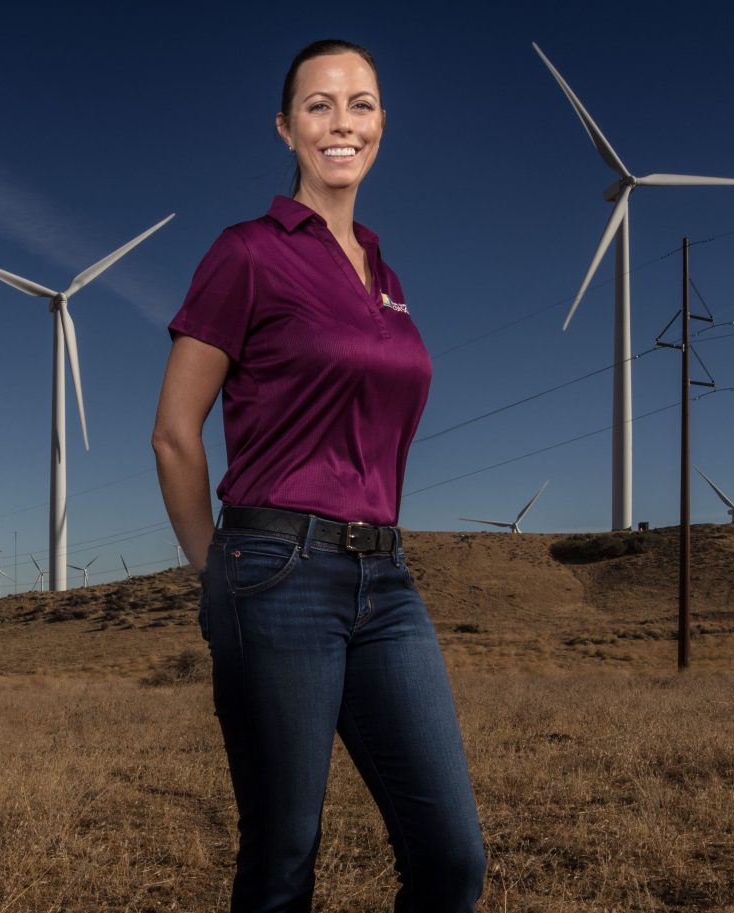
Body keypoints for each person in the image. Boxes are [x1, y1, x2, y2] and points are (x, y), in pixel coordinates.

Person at [151, 38, 486, 913]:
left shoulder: (386, 273)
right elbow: (173, 435)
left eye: (362, 104)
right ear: (285, 127)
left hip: (388, 578)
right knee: (284, 862)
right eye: (320, 105)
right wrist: (214, 572)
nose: (343, 123)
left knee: (452, 859)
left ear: (382, 124)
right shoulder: (249, 252)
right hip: (275, 570)